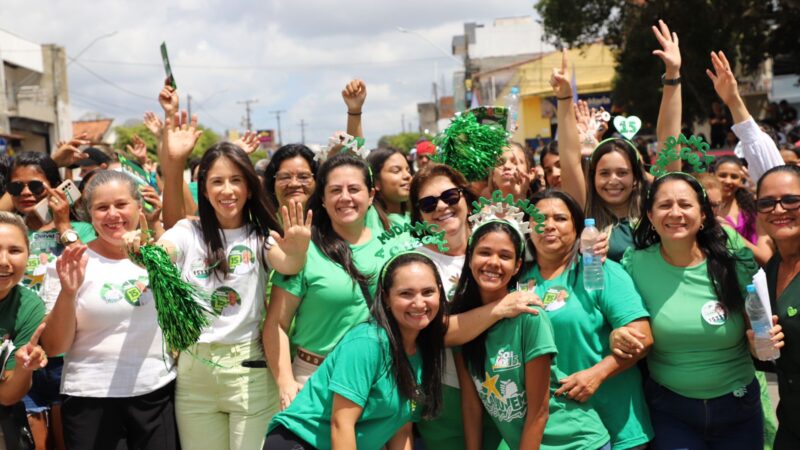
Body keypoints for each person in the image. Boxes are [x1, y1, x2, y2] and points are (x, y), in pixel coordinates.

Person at [153, 111, 310, 450]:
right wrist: (145, 251)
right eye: (217, 182)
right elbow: (161, 253)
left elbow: (289, 263)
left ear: (250, 188)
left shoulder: (259, 237)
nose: (228, 190)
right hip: (194, 374)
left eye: (237, 180)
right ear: (204, 189)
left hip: (249, 371)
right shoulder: (186, 232)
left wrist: (297, 248)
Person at [620, 172, 783, 449]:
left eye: (685, 204)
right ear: (649, 215)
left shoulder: (733, 261)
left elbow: (756, 333)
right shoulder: (633, 265)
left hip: (738, 407)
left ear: (704, 214)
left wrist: (760, 345)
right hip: (670, 411)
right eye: (664, 205)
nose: (675, 213)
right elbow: (619, 317)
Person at [39, 170, 178, 449]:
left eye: (121, 204)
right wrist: (68, 292)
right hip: (90, 399)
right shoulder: (69, 264)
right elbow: (54, 347)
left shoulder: (163, 259)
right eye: (102, 207)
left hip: (156, 394)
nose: (112, 214)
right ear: (90, 216)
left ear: (139, 207)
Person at [452, 220, 610, 450]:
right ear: (470, 258)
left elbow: (539, 412)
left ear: (517, 266)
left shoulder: (530, 316)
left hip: (577, 443)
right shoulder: (465, 325)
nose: (493, 263)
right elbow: (471, 406)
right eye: (484, 252)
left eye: (505, 256)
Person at [265, 252, 446, 449]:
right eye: (406, 294)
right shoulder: (367, 343)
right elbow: (342, 424)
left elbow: (400, 429)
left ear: (439, 292)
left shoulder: (423, 350)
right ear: (386, 298)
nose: (419, 303)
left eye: (428, 292)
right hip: (302, 443)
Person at [522, 189, 654, 449]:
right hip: (556, 432)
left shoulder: (598, 269)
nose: (549, 225)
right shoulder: (517, 279)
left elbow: (643, 337)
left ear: (578, 228)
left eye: (560, 218)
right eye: (540, 218)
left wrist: (597, 374)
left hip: (615, 424)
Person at [555, 21, 683, 262]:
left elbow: (669, 143)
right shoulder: (584, 212)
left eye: (622, 172)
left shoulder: (656, 208)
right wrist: (563, 99)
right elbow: (570, 161)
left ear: (636, 177)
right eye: (604, 173)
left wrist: (673, 76)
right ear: (592, 177)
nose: (613, 180)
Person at [7, 151, 96, 448]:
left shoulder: (80, 229)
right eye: (16, 187)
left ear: (56, 187)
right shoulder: (10, 233)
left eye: (36, 186)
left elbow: (89, 267)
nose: (26, 193)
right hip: (22, 353)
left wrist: (62, 223)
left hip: (67, 355)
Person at [755, 165, 800, 449]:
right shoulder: (770, 271)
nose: (778, 209)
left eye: (791, 200)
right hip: (791, 423)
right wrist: (757, 347)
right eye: (767, 202)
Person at [262, 144, 318, 213]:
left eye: (303, 177)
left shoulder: (332, 221)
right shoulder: (260, 222)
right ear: (272, 184)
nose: (294, 184)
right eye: (285, 177)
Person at [367, 148, 413, 227]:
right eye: (396, 170)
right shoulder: (367, 220)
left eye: (408, 170)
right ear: (376, 181)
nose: (407, 176)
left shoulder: (419, 216)